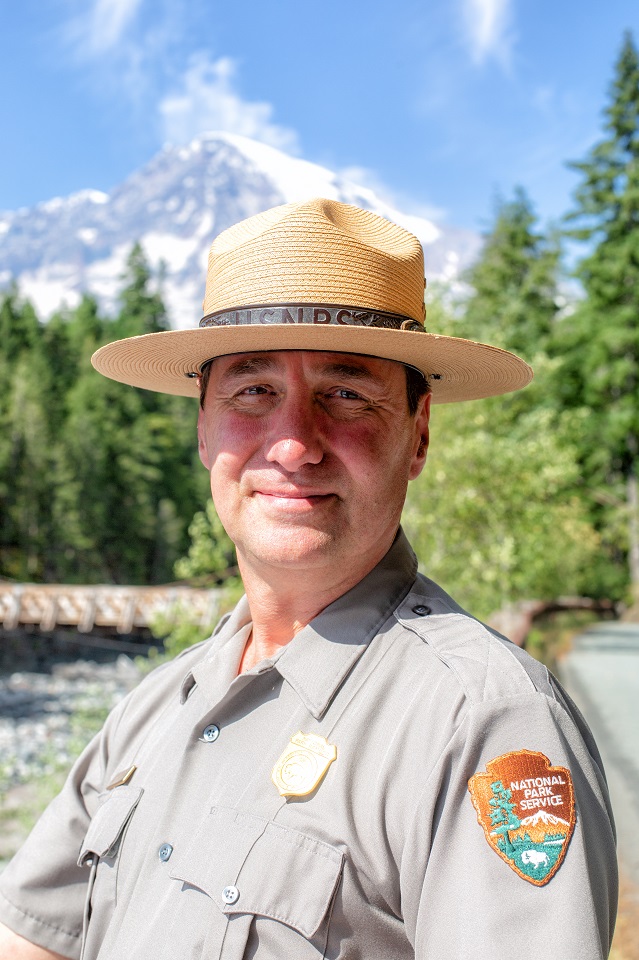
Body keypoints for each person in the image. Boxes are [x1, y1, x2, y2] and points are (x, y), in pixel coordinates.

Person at [0, 198, 617, 960]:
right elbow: (33, 942)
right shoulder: (153, 708)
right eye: (252, 392)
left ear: (417, 435)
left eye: (346, 394)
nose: (293, 444)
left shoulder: (483, 723)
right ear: (203, 430)